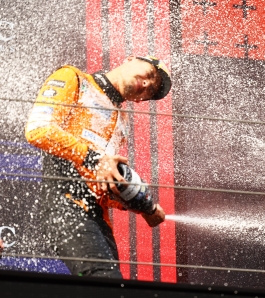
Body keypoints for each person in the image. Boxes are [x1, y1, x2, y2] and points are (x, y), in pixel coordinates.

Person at [25, 55, 172, 278]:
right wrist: (94, 158)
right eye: (150, 75)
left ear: (140, 102)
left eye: (150, 91)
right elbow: (38, 130)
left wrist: (139, 203)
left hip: (99, 220)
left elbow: (102, 184)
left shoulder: (122, 122)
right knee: (103, 280)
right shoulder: (75, 79)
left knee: (114, 285)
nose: (146, 84)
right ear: (131, 58)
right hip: (65, 205)